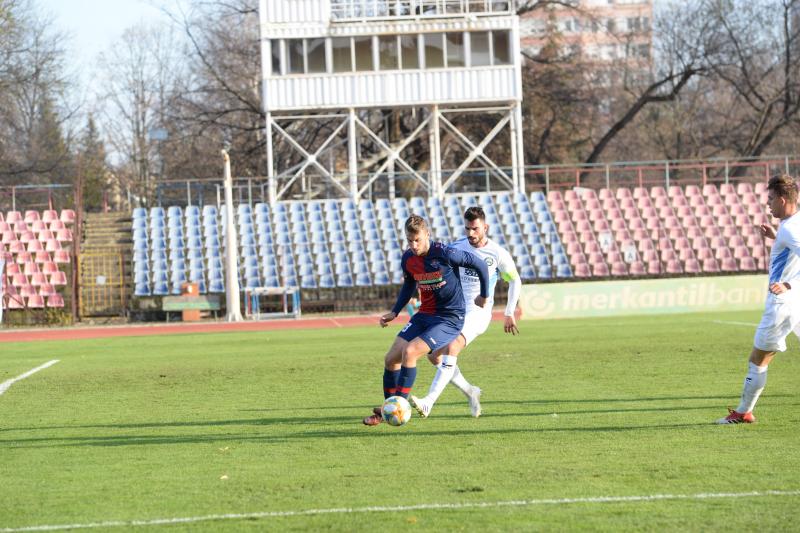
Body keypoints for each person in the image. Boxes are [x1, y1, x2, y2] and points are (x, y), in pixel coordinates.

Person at [362, 214, 490, 426]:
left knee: (410, 352)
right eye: (409, 240)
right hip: (425, 314)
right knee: (390, 359)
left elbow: (480, 265)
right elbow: (409, 285)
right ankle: (389, 409)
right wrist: (395, 311)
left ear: (427, 235)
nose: (413, 245)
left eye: (417, 240)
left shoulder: (446, 253)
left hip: (449, 318)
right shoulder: (408, 259)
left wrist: (484, 295)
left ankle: (398, 407)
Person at [410, 206, 522, 419]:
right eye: (467, 228)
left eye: (475, 229)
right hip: (455, 310)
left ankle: (428, 402)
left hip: (479, 312)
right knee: (434, 356)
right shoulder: (458, 247)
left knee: (453, 346)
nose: (471, 233)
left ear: (485, 227)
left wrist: (509, 312)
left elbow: (515, 280)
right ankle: (471, 391)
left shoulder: (498, 253)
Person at [717, 174, 800, 424]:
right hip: (796, 301)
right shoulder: (792, 225)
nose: (768, 204)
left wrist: (788, 283)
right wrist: (776, 238)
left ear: (783, 200)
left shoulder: (790, 229)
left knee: (759, 359)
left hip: (782, 303)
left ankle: (743, 412)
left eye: (771, 199)